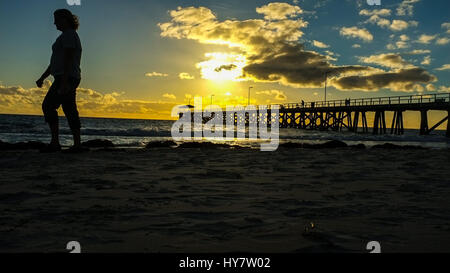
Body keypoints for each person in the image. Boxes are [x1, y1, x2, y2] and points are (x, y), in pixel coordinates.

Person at [36, 9, 86, 153]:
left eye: (57, 19)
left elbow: (68, 59)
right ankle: (75, 144)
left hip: (67, 77)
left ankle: (57, 143)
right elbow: (55, 62)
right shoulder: (65, 36)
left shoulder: (69, 35)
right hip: (65, 77)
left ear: (65, 20)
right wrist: (43, 77)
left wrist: (64, 82)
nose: (54, 23)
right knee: (69, 109)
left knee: (49, 106)